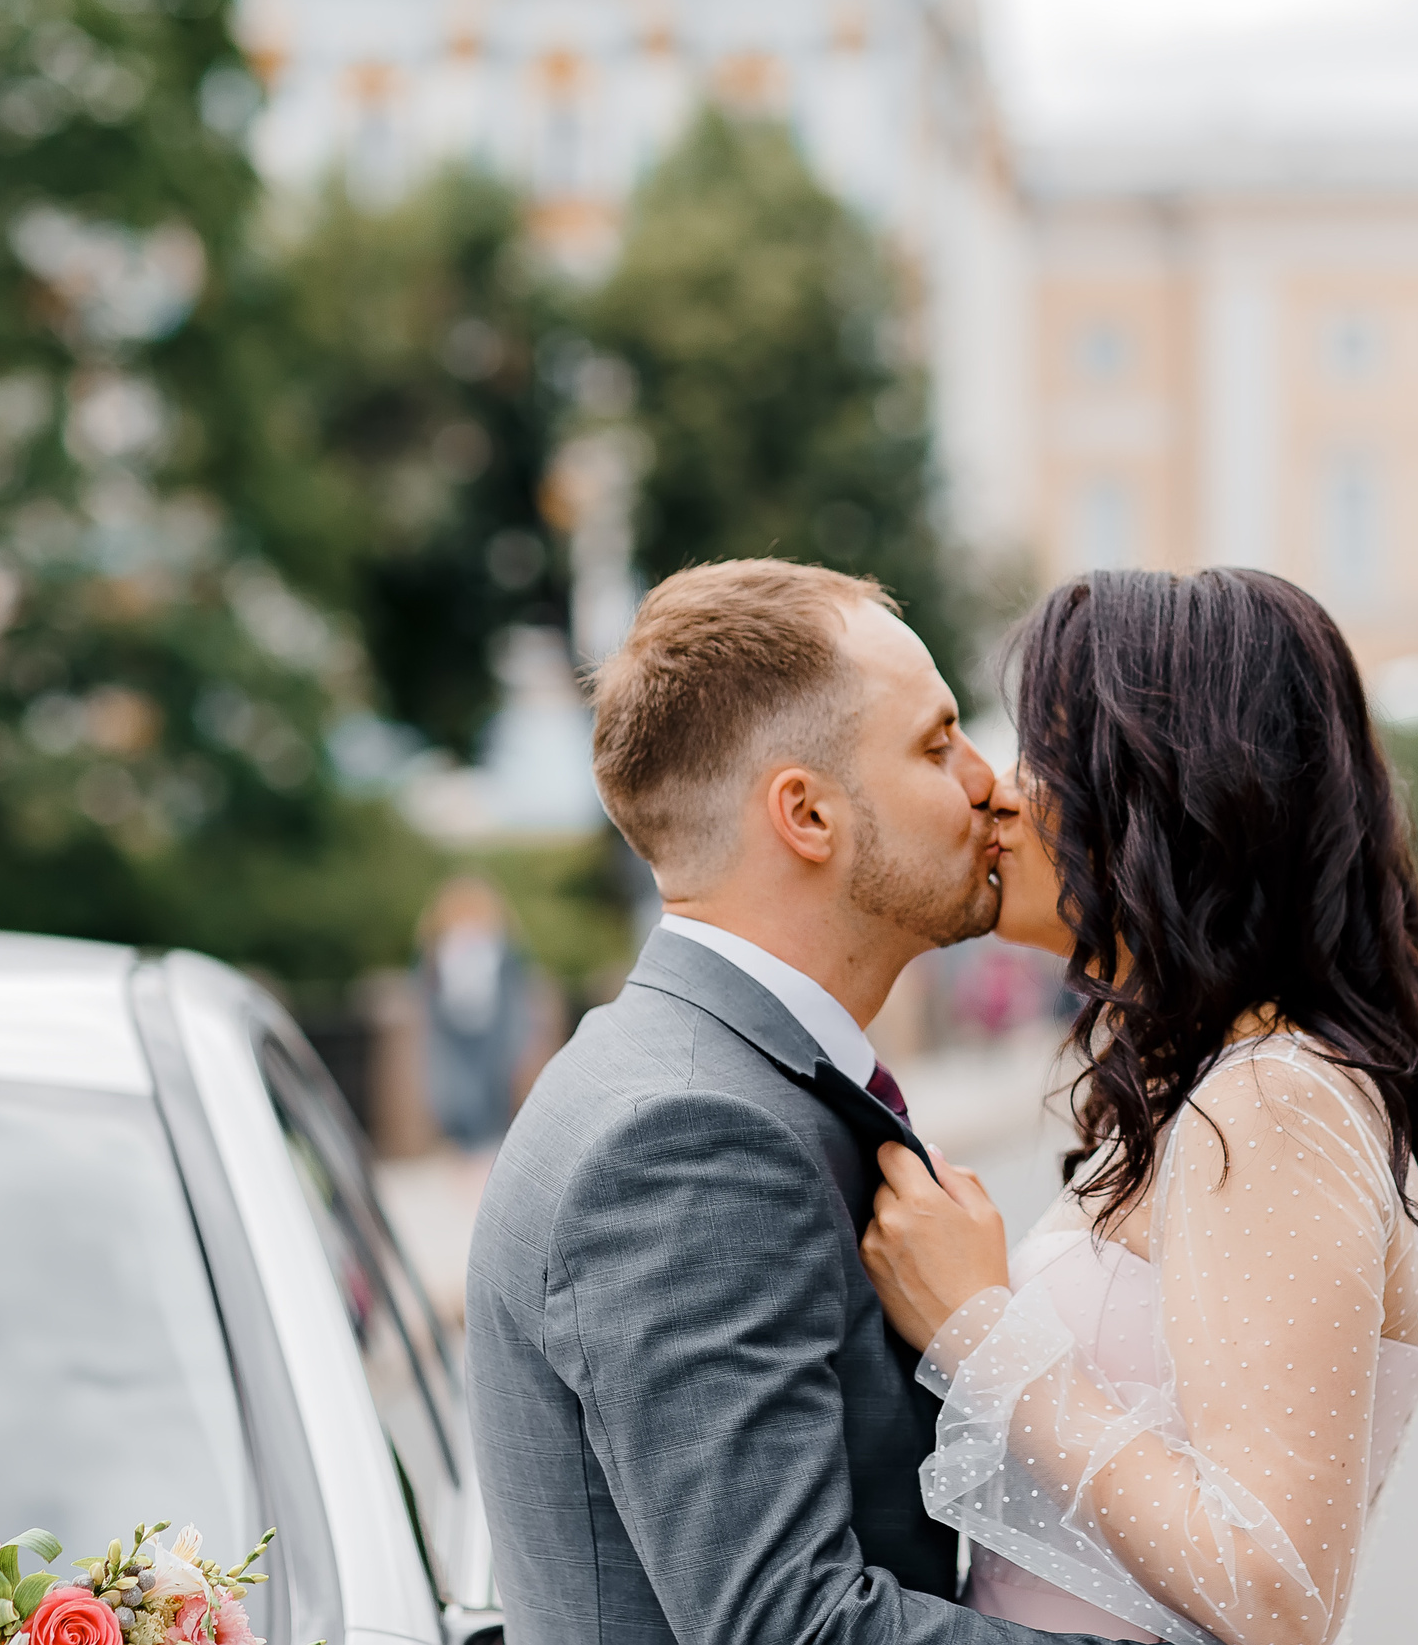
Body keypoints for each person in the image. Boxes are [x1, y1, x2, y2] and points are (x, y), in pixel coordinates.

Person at [464, 560, 1119, 1645]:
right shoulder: (685, 1138)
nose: (989, 784)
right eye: (936, 744)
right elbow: (791, 1626)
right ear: (808, 813)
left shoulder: (694, 1072)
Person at [860, 568, 1418, 1645]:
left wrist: (979, 1328)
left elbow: (1277, 1593)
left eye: (1046, 757)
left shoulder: (1273, 1099)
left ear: (1172, 794)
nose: (998, 794)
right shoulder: (1209, 1084)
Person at [413, 874, 528, 1152]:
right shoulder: (436, 949)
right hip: (452, 1043)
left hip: (493, 1042)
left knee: (491, 1103)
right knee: (457, 1102)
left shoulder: (503, 949)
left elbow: (517, 997)